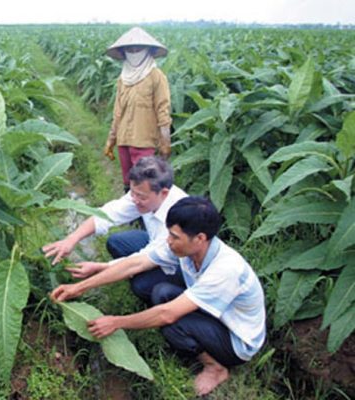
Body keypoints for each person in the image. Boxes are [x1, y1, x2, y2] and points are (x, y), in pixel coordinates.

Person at [51, 197, 266, 397]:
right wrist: (79, 287)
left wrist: (116, 322)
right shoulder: (186, 248)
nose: (168, 241)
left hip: (236, 339)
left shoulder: (225, 270)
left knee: (171, 322)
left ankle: (215, 367)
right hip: (217, 315)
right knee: (161, 293)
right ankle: (201, 343)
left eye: (174, 236)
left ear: (200, 238)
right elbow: (135, 263)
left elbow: (167, 314)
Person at [43, 156, 187, 302]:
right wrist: (71, 240)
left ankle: (174, 302)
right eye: (132, 193)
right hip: (155, 245)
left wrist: (85, 282)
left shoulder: (178, 221)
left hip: (180, 266)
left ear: (163, 193)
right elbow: (108, 213)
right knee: (117, 242)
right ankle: (125, 273)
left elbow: (141, 261)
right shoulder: (144, 193)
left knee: (142, 285)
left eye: (141, 197)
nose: (135, 200)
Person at [104, 27, 173, 193]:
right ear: (124, 52)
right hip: (123, 139)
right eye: (129, 49)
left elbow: (163, 110)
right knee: (128, 181)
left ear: (148, 50)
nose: (134, 52)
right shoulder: (123, 78)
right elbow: (118, 111)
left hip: (144, 141)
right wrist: (111, 140)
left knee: (144, 183)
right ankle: (132, 216)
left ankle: (144, 218)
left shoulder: (156, 76)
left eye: (138, 49)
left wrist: (165, 141)